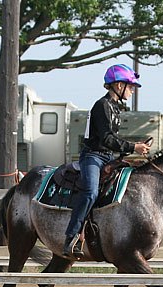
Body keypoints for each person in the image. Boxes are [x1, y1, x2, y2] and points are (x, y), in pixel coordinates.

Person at [63, 64, 151, 258]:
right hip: (93, 156)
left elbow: (111, 141)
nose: (132, 90)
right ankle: (71, 237)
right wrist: (133, 147)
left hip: (107, 157)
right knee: (90, 192)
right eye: (130, 86)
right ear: (118, 86)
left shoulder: (114, 108)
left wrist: (132, 148)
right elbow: (106, 139)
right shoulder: (101, 106)